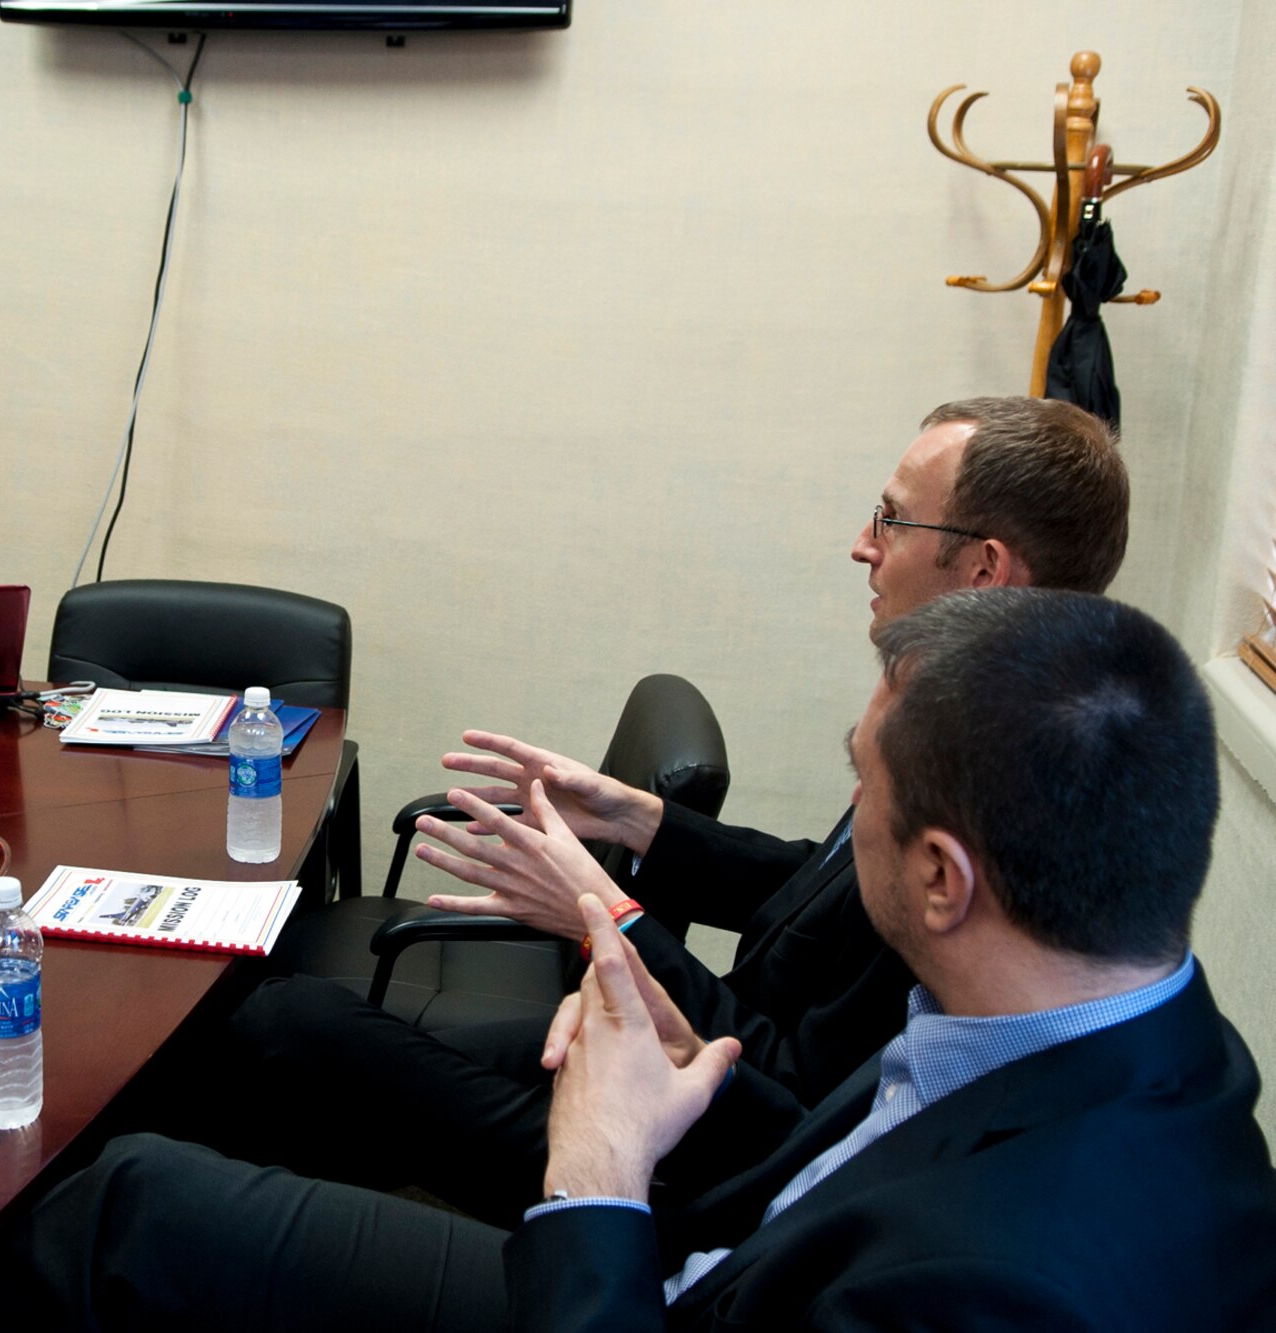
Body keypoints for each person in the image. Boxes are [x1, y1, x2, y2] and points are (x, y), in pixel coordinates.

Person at [23, 589, 1276, 1331]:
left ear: (943, 879)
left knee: (123, 1206)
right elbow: (829, 1161)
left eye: (863, 785)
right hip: (670, 1238)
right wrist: (696, 1076)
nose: (843, 822)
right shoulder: (1118, 1026)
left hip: (622, 1279)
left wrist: (598, 1175)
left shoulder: (1007, 1284)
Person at [218, 396, 1130, 1226]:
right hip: (671, 1063)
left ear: (983, 568)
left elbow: (794, 1091)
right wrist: (636, 820)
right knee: (296, 1040)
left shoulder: (991, 798)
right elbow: (819, 882)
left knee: (281, 1031)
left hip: (682, 1162)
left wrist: (605, 916)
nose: (863, 543)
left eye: (892, 518)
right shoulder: (970, 715)